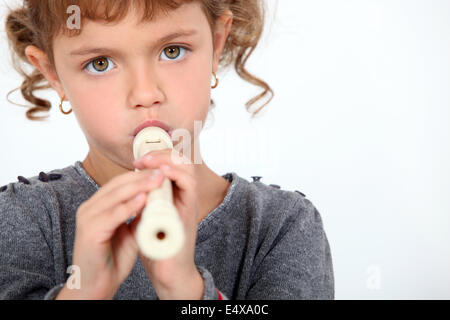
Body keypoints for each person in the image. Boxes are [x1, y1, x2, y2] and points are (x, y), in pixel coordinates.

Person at [0, 0, 334, 300]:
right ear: (54, 75)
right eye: (100, 63)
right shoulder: (20, 218)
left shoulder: (281, 226)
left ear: (216, 44)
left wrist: (185, 291)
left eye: (172, 51)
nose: (146, 93)